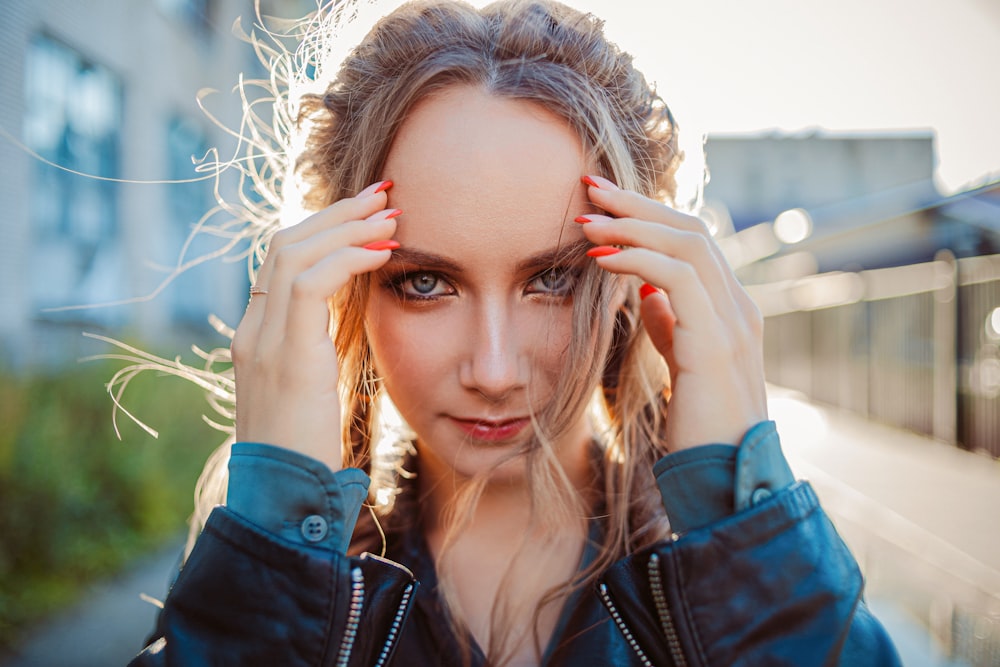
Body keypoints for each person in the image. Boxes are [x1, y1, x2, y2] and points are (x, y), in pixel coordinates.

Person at [130, 0, 901, 664]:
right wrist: (273, 550)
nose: (494, 370)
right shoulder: (270, 572)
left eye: (553, 279)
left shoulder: (740, 572)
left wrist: (741, 531)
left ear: (635, 278)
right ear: (346, 289)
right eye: (425, 281)